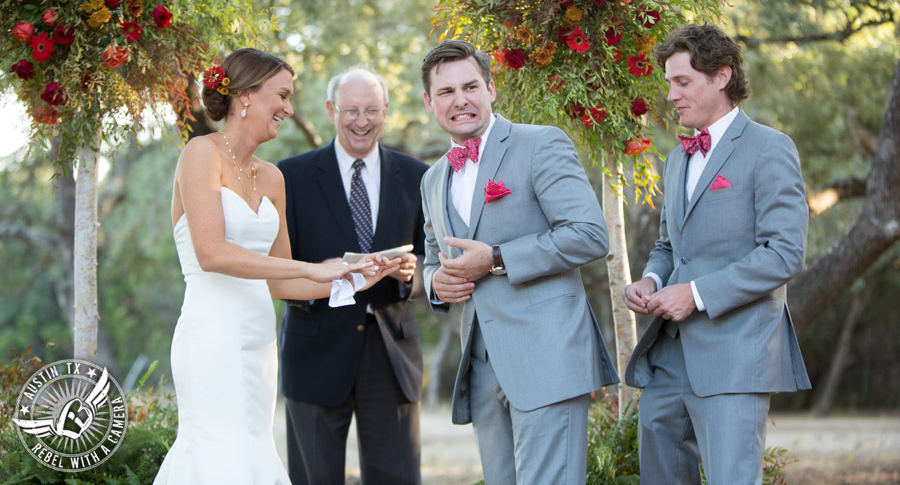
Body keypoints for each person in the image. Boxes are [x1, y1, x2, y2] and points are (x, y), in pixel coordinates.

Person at [154, 49, 400, 485]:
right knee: (216, 454)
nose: (289, 108)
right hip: (211, 337)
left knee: (253, 450)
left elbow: (281, 279)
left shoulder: (272, 177)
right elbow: (211, 253)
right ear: (245, 96)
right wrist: (311, 268)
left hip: (259, 345)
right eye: (282, 95)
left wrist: (354, 278)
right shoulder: (200, 154)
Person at [418, 39, 619, 484]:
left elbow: (589, 235)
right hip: (483, 367)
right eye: (446, 92)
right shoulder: (432, 179)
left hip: (548, 356)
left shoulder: (540, 144)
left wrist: (495, 258)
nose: (461, 100)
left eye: (470, 86)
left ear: (492, 89)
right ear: (429, 102)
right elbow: (433, 257)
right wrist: (435, 283)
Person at [623, 25, 811, 485]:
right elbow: (669, 245)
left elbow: (784, 253)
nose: (671, 95)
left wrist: (697, 294)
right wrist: (651, 278)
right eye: (669, 83)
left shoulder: (770, 149)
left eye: (681, 82)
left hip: (735, 353)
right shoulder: (677, 159)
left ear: (722, 76)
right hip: (667, 356)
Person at [277, 67, 428, 485]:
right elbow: (276, 265)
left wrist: (410, 274)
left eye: (372, 110)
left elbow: (431, 261)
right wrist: (327, 278)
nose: (362, 121)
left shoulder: (417, 176)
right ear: (331, 110)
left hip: (392, 354)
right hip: (314, 354)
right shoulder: (291, 176)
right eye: (352, 111)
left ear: (386, 112)